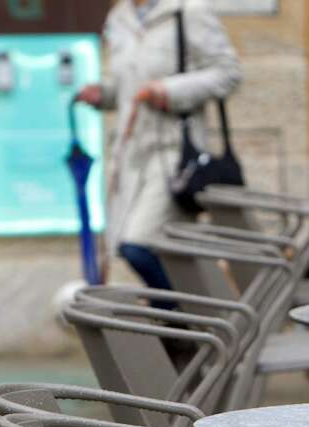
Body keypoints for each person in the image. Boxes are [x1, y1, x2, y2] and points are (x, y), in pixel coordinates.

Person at [76, 0, 242, 288]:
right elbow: (130, 86)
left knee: (138, 246)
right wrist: (104, 94)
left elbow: (228, 73)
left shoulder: (189, 11)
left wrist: (169, 90)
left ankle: (190, 315)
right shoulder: (119, 17)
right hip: (131, 156)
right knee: (135, 248)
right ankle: (179, 320)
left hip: (175, 155)